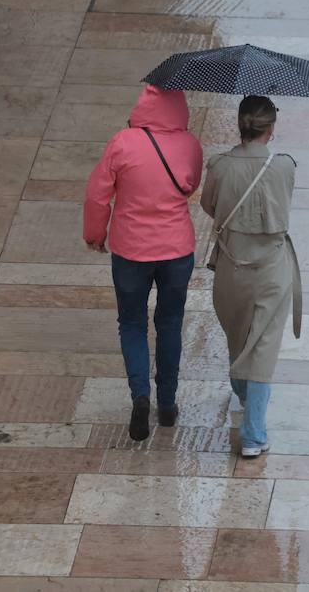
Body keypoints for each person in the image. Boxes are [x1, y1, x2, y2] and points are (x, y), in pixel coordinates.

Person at [83, 84, 204, 442]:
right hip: (176, 249)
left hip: (131, 250)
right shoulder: (190, 145)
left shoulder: (122, 142)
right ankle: (167, 403)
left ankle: (140, 396)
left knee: (132, 323)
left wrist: (94, 235)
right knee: (170, 323)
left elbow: (97, 194)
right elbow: (190, 184)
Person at [200, 95, 300, 458]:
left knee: (238, 335)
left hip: (230, 265)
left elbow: (208, 205)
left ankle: (246, 402)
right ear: (271, 129)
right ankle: (254, 433)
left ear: (239, 126)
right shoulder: (285, 166)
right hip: (272, 268)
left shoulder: (220, 166)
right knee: (263, 346)